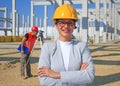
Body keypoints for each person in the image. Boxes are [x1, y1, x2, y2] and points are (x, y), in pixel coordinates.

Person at [38, 4, 95, 86]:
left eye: (70, 23)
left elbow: (89, 76)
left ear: (74, 26)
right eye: (62, 23)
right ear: (56, 25)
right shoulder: (47, 48)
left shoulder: (82, 47)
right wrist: (78, 76)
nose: (66, 26)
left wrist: (56, 74)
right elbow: (44, 80)